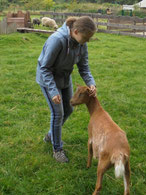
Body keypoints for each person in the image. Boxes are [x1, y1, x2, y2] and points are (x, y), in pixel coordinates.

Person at [36, 16, 97, 163]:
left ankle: (51, 135)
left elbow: (84, 67)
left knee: (69, 109)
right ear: (75, 31)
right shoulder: (57, 40)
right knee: (58, 114)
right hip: (48, 79)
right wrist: (53, 91)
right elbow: (45, 68)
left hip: (64, 78)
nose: (87, 41)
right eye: (86, 38)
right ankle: (57, 149)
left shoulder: (81, 44)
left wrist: (91, 83)